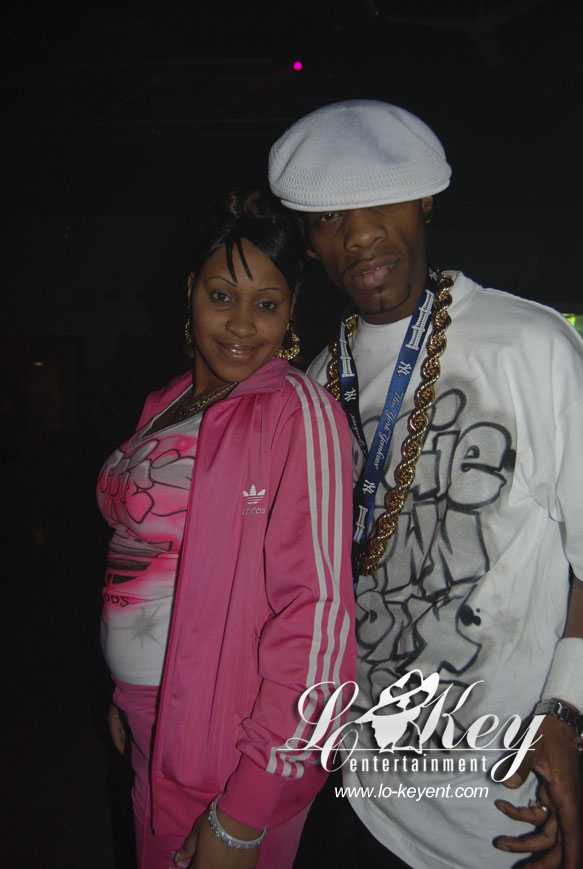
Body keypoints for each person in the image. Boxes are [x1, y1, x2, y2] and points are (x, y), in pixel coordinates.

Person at [268, 101, 583, 868]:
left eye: (380, 202)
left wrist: (566, 714)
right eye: (329, 217)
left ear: (425, 200)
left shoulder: (533, 346)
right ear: (309, 241)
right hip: (351, 785)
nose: (357, 235)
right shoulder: (317, 380)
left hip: (494, 809)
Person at [97, 191, 356, 869]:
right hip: (149, 722)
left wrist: (244, 812)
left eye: (266, 304)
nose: (241, 324)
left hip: (227, 752)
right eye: (221, 296)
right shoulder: (164, 402)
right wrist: (128, 693)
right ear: (190, 290)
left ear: (292, 311)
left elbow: (318, 618)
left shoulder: (296, 413)